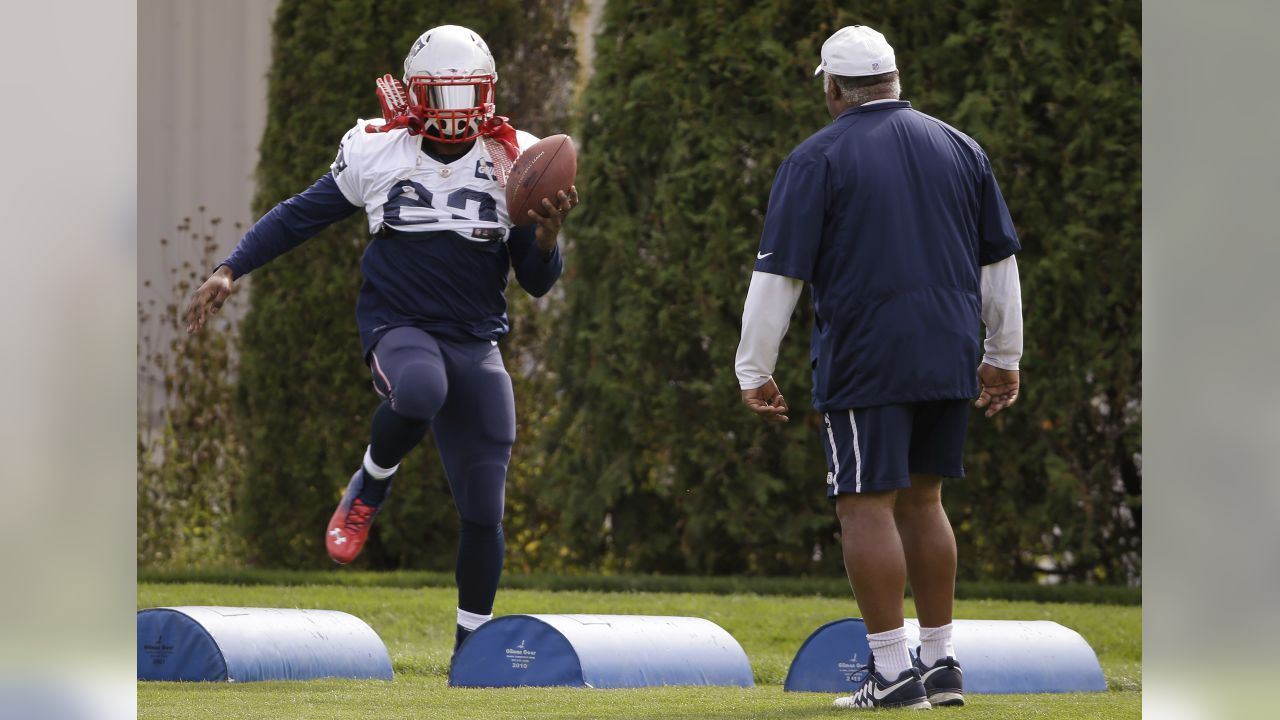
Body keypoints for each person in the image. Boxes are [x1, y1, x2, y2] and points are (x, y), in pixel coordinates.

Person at [184, 25, 577, 654]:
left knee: (483, 508)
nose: (455, 113)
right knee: (420, 389)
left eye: (466, 95)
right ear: (415, 95)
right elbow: (299, 214)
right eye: (441, 97)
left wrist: (547, 238)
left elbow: (535, 282)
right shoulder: (378, 148)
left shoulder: (515, 156)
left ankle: (468, 650)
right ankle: (371, 480)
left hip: (476, 339)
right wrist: (231, 268)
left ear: (488, 93)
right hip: (401, 325)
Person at [734, 25, 1023, 711]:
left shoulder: (815, 159)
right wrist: (1003, 355)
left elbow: (779, 275)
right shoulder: (962, 148)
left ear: (832, 88)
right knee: (925, 501)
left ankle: (893, 675)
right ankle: (941, 662)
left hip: (868, 355)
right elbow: (999, 262)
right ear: (894, 79)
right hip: (949, 350)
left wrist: (754, 368)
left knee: (864, 503)